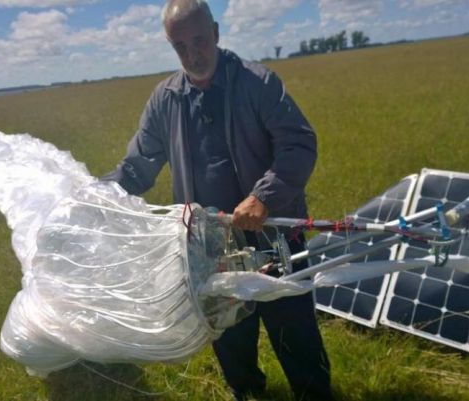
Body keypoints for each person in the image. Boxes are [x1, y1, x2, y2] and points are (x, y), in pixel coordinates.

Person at [101, 1, 332, 400]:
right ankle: (248, 392)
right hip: (209, 245)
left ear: (217, 33)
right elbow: (138, 166)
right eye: (180, 46)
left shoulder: (257, 84)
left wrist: (264, 197)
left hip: (273, 236)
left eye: (200, 40)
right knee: (228, 334)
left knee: (293, 330)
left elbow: (298, 143)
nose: (193, 54)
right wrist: (98, 197)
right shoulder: (166, 99)